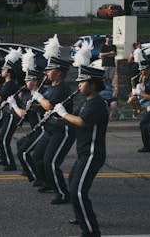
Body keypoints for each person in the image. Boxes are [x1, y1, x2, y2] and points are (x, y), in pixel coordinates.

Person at [53, 64, 108, 237]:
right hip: (84, 153)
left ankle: (91, 231)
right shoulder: (86, 103)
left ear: (92, 84)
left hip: (93, 153)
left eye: (82, 81)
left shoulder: (98, 103)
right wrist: (53, 118)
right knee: (73, 185)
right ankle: (81, 216)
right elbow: (72, 120)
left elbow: (83, 122)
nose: (78, 85)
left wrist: (63, 114)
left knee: (78, 191)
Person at [32, 44, 76, 204]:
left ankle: (63, 193)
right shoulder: (50, 88)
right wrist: (33, 106)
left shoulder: (62, 89)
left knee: (51, 162)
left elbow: (49, 106)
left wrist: (37, 96)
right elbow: (44, 107)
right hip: (50, 129)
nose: (45, 73)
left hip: (62, 130)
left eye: (49, 70)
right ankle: (47, 182)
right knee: (37, 157)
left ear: (58, 72)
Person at [0, 48, 22, 171]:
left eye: (4, 69)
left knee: (4, 139)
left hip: (13, 114)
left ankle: (11, 163)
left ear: (9, 72)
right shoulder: (7, 84)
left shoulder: (11, 83)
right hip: (7, 113)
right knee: (2, 138)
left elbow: (0, 97)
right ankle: (5, 159)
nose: (2, 70)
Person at [9, 68, 46, 183]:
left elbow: (23, 113)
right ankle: (28, 170)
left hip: (43, 130)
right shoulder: (29, 96)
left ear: (35, 81)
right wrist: (10, 108)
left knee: (23, 153)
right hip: (35, 129)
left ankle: (38, 178)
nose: (25, 82)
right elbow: (24, 117)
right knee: (20, 143)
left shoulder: (41, 95)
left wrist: (14, 105)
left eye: (28, 80)